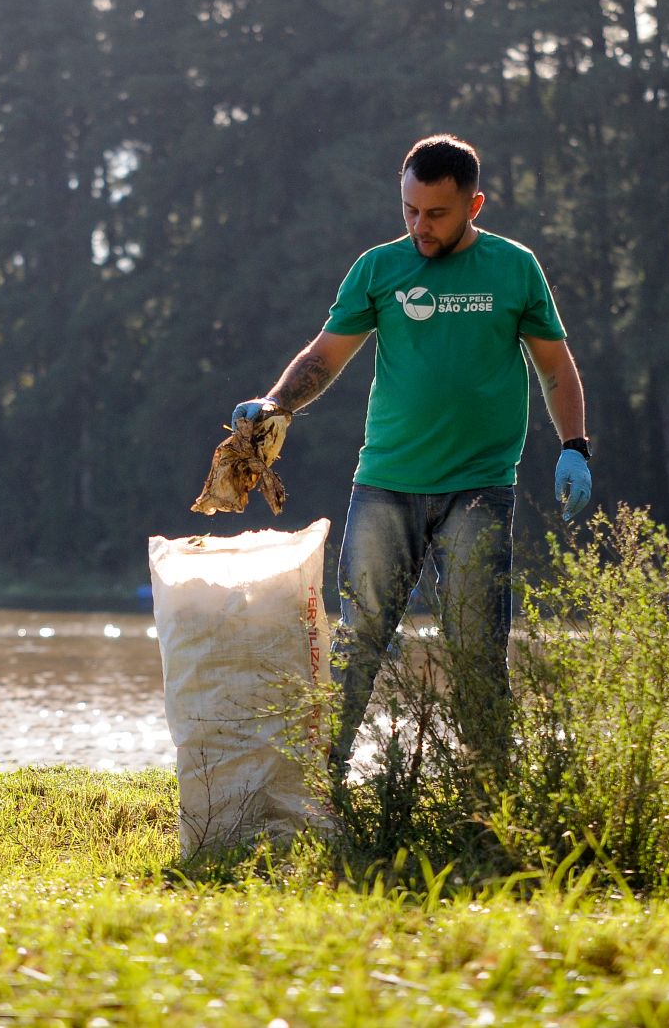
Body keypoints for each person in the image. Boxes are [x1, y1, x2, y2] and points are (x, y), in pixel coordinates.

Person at [230, 133, 593, 779]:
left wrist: (574, 446)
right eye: (409, 210)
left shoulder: (514, 269)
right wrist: (275, 404)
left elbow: (555, 367)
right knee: (357, 640)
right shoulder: (379, 269)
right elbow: (324, 355)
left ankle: (488, 793)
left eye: (437, 214)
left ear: (474, 204)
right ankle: (320, 782)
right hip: (385, 485)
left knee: (477, 648)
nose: (419, 227)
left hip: (479, 489)